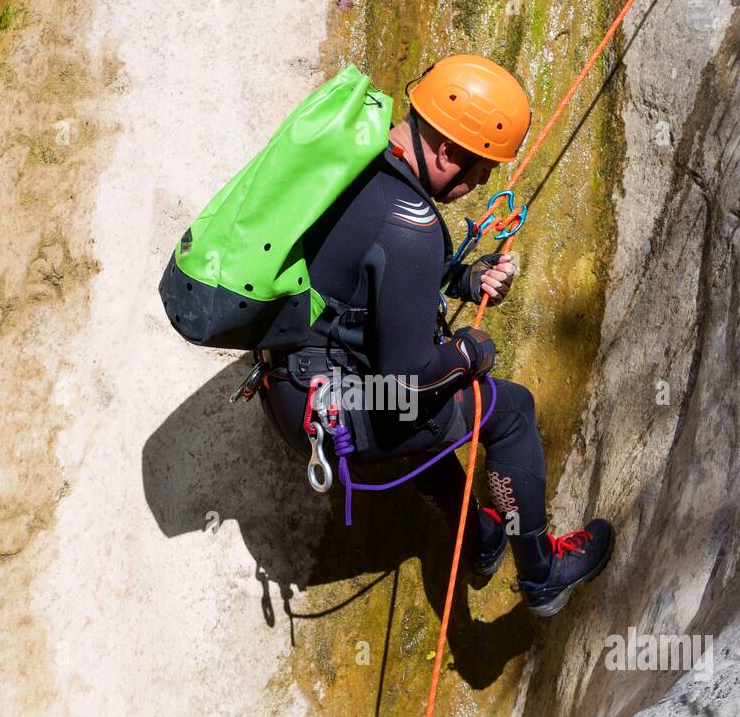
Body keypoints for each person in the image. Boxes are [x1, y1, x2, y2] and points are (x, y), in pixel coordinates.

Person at [259, 54, 613, 616]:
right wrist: (469, 353)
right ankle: (542, 572)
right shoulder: (411, 223)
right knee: (510, 411)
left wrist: (466, 280)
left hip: (293, 389)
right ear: (447, 151)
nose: (478, 185)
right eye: (478, 170)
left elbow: (365, 273)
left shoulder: (357, 161)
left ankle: (481, 537)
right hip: (343, 410)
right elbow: (410, 381)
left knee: (423, 420)